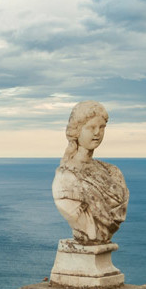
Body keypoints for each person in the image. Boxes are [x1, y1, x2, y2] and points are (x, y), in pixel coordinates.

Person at [52, 101, 128, 245]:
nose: (97, 133)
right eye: (91, 127)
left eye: (101, 127)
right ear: (77, 130)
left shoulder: (112, 172)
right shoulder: (66, 177)